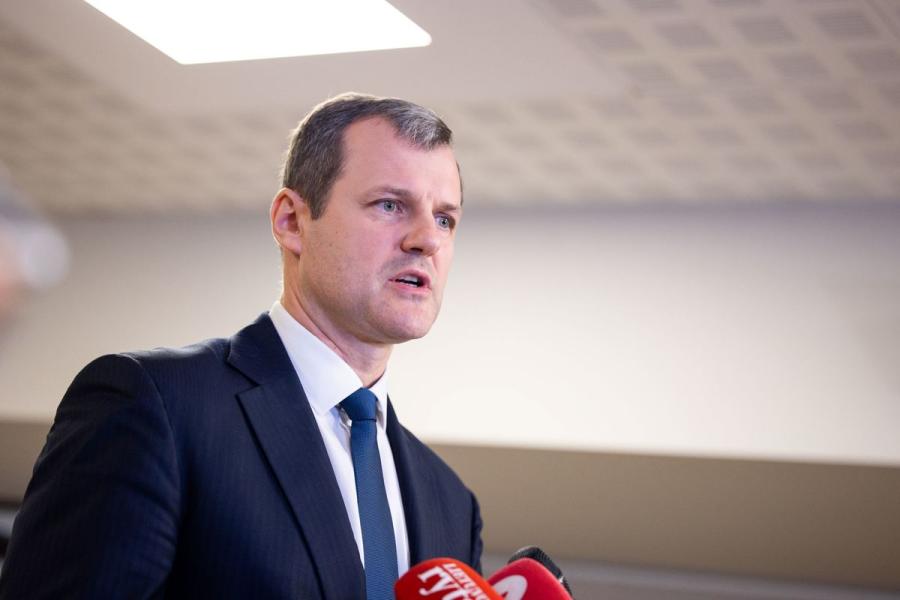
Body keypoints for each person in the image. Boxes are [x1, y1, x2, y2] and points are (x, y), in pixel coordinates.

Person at [0, 93, 482, 599]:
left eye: (445, 219)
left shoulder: (452, 504)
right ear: (291, 221)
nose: (427, 239)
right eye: (390, 205)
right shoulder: (154, 406)